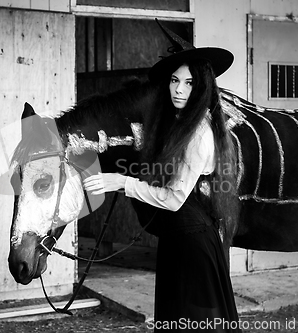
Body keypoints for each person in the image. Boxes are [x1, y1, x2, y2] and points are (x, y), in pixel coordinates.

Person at [84, 20, 241, 332]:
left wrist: (122, 182)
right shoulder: (182, 125)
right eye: (174, 81)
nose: (179, 89)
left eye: (188, 83)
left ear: (203, 87)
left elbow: (174, 199)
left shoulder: (197, 133)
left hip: (192, 242)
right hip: (178, 239)